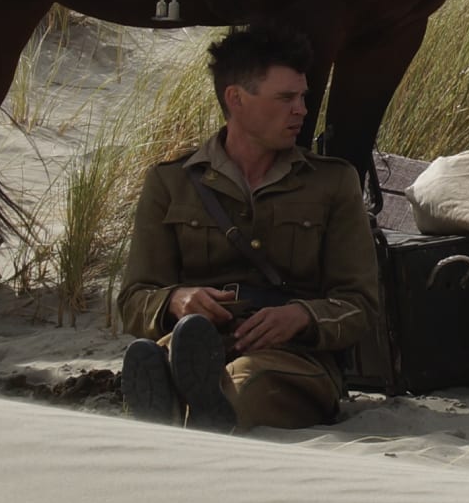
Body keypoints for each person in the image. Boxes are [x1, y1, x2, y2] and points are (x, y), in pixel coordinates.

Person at [116, 22, 380, 433]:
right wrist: (176, 300)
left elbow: (360, 305)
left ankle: (179, 414)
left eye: (303, 97)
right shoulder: (171, 182)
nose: (301, 110)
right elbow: (134, 299)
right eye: (286, 98)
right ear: (236, 99)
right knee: (168, 363)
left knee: (246, 387)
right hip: (194, 342)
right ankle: (181, 403)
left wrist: (301, 316)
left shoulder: (332, 182)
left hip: (291, 358)